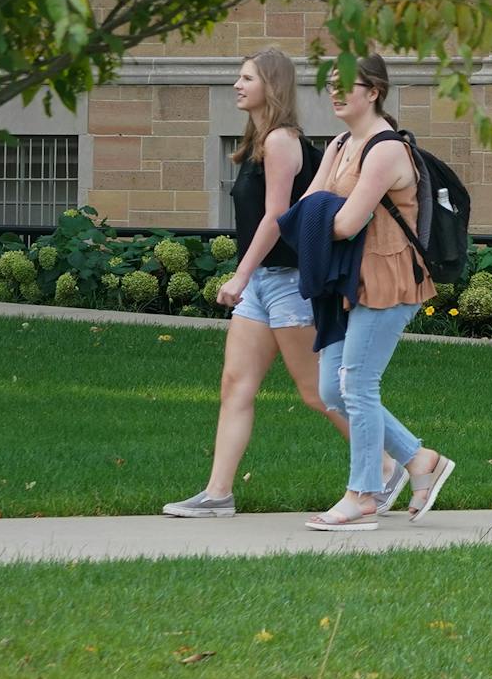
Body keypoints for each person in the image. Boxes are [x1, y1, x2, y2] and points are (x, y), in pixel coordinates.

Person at [161, 48, 384, 517]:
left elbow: (278, 217)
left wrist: (240, 274)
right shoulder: (258, 140)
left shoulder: (283, 140)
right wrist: (250, 277)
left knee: (318, 392)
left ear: (271, 86)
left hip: (289, 282)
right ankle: (218, 493)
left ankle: (387, 464)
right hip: (264, 283)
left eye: (247, 78)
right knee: (235, 384)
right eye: (238, 77)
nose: (237, 86)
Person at [298, 51, 454, 531]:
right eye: (331, 84)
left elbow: (341, 222)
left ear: (374, 92)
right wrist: (318, 214)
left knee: (358, 385)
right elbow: (308, 206)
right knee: (332, 387)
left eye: (348, 84)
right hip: (350, 282)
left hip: (390, 280)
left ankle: (363, 494)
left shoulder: (385, 149)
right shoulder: (341, 143)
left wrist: (318, 216)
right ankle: (419, 459)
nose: (336, 92)